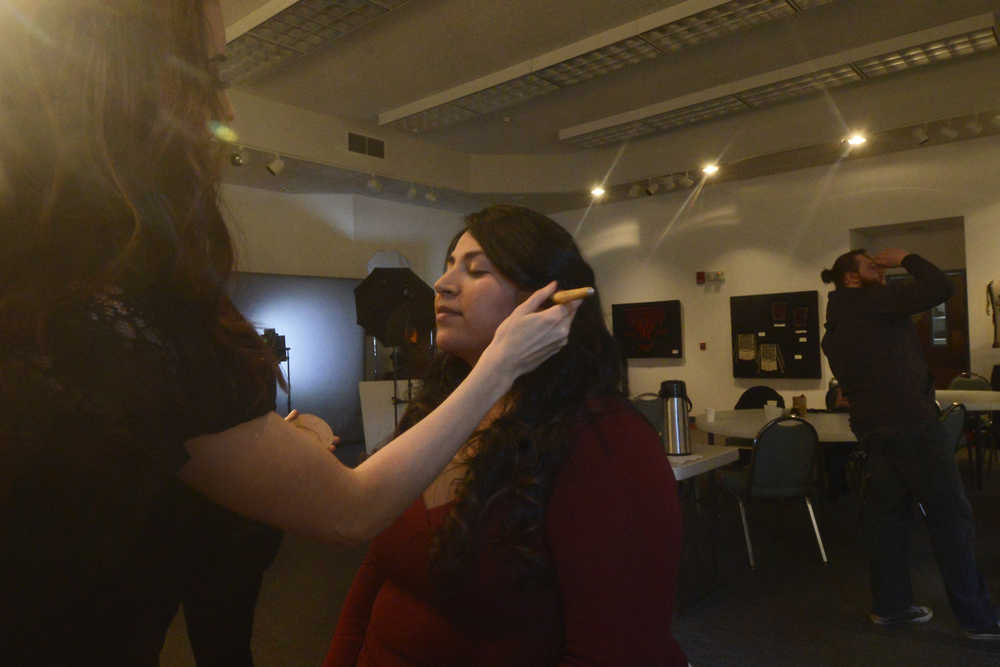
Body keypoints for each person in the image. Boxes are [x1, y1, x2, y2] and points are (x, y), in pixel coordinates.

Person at [0, 2, 578, 664]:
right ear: (128, 83)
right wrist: (497, 366)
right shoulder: (116, 311)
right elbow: (352, 518)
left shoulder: (54, 284)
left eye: (474, 269)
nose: (227, 109)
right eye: (210, 70)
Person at [324, 205, 688, 666]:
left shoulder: (604, 440)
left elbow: (618, 649)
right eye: (448, 265)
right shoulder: (437, 413)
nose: (443, 284)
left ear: (544, 301)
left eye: (476, 271)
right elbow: (379, 571)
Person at [820, 248, 999, 638]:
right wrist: (907, 256)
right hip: (912, 427)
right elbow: (940, 285)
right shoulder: (871, 302)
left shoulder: (835, 326)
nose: (880, 270)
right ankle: (978, 619)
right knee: (951, 517)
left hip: (873, 432)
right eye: (871, 266)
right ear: (851, 278)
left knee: (888, 520)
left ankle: (892, 607)